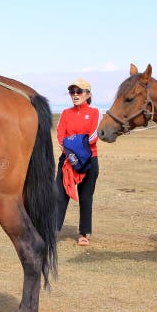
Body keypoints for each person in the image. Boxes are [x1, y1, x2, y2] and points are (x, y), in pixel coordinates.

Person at [55, 79, 101, 246]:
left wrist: (72, 143)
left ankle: (83, 233)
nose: (75, 95)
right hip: (67, 159)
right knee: (59, 195)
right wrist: (69, 149)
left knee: (86, 196)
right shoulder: (65, 113)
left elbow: (94, 136)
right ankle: (54, 230)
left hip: (89, 159)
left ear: (87, 94)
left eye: (79, 91)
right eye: (72, 91)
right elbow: (60, 135)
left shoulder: (96, 112)